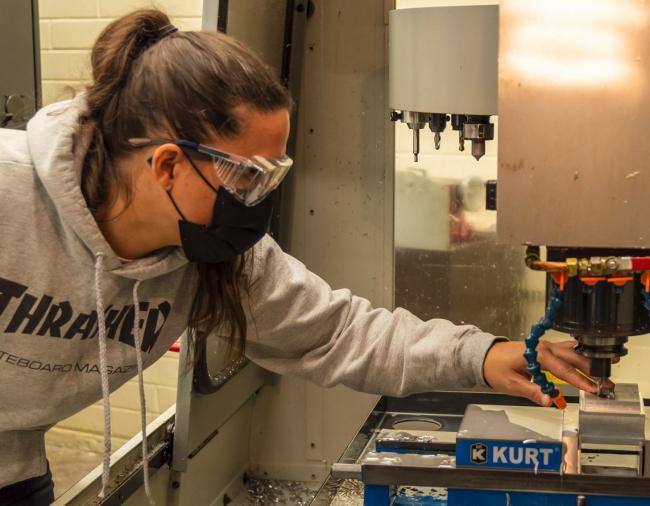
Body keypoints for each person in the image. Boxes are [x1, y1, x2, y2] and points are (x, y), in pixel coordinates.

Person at [0, 9, 599, 505]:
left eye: (274, 175)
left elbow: (340, 332)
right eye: (248, 179)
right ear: (167, 165)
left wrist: (482, 355)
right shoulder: (10, 195)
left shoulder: (220, 258)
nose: (259, 203)